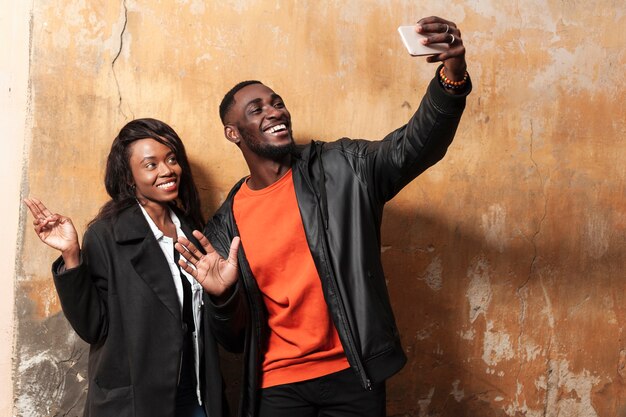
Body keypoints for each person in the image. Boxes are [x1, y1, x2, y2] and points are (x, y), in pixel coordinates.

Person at [175, 16, 471, 417]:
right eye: (256, 108)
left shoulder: (344, 167)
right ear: (233, 132)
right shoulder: (226, 225)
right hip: (277, 384)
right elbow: (233, 339)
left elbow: (415, 145)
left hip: (352, 374)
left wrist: (451, 77)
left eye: (277, 101)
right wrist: (223, 296)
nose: (274, 111)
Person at [24, 118, 233, 417]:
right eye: (151, 164)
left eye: (172, 159)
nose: (167, 170)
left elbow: (208, 324)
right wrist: (72, 255)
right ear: (129, 177)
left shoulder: (193, 233)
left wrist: (224, 294)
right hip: (137, 403)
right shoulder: (107, 234)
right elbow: (93, 327)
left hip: (197, 396)